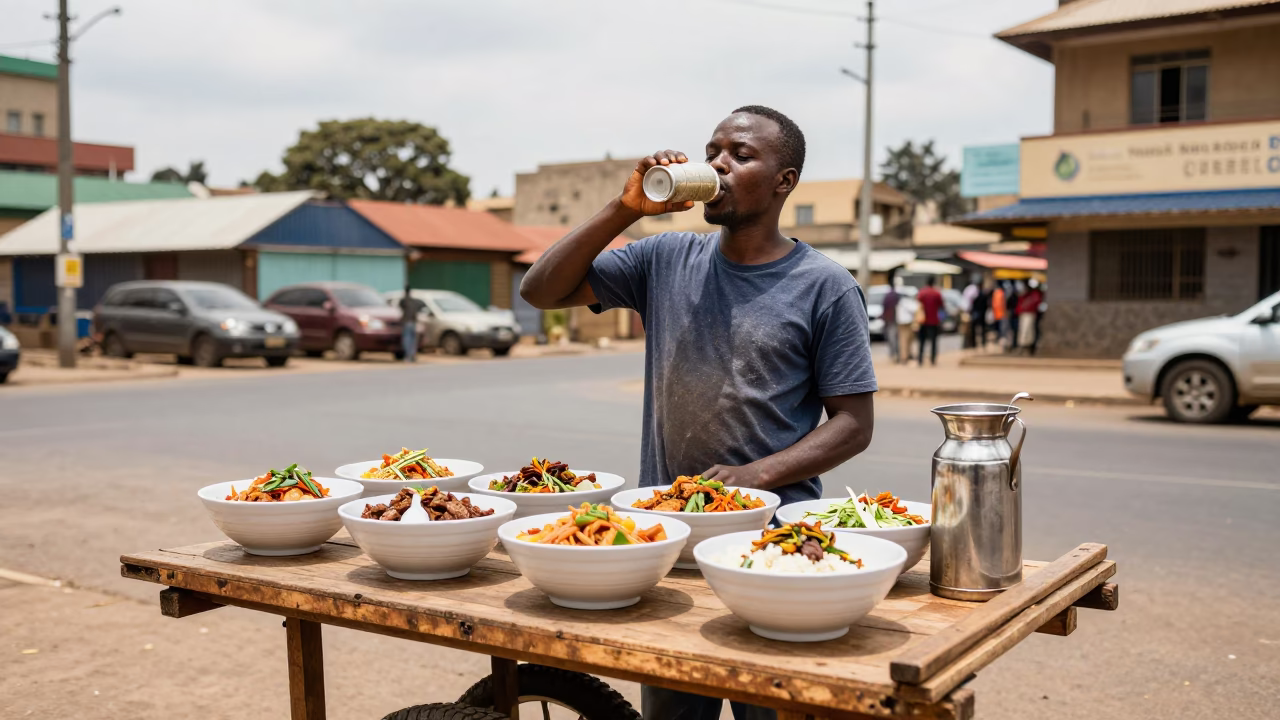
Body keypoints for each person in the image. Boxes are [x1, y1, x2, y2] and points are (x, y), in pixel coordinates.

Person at [519, 106, 878, 720]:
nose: (717, 163)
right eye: (713, 151)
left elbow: (853, 423)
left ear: (784, 181)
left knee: (772, 708)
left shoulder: (825, 285)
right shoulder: (662, 260)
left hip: (775, 551)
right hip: (671, 542)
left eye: (741, 155)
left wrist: (754, 477)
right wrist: (625, 209)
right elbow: (540, 291)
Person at [916, 276, 944, 367]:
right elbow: (941, 305)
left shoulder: (922, 292)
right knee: (933, 342)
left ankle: (920, 359)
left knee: (922, 341)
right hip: (933, 321)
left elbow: (917, 304)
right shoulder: (936, 293)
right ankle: (932, 359)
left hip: (922, 320)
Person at [1018, 279, 1044, 354]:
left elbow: (1036, 303)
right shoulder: (1025, 294)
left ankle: (1028, 347)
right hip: (1024, 313)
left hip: (1030, 314)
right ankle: (1023, 346)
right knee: (1023, 330)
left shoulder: (1035, 294)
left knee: (1029, 331)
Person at [883, 278, 901, 363]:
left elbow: (884, 307)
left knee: (892, 337)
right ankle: (896, 354)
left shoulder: (888, 295)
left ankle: (894, 354)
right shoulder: (896, 295)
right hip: (896, 318)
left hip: (890, 319)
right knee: (895, 338)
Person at [970, 279, 990, 349]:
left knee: (976, 329)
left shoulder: (978, 294)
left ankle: (975, 343)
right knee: (980, 329)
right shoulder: (980, 294)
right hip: (980, 313)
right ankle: (981, 343)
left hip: (978, 313)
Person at [1007, 281, 1023, 352]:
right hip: (1014, 316)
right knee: (1013, 331)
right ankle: (1013, 344)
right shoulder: (1014, 297)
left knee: (1015, 331)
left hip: (1016, 315)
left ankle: (1015, 344)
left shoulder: (1018, 298)